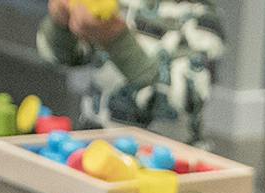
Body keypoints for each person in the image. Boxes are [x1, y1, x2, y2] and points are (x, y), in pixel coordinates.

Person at [36, 1, 224, 139]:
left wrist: (116, 40)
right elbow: (61, 57)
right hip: (95, 141)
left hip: (169, 157)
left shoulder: (203, 19)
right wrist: (60, 23)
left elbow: (183, 99)